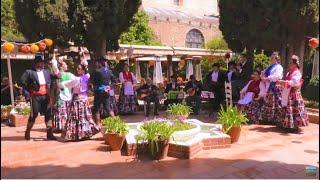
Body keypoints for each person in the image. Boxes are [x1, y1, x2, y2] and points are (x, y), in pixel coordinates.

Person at [20, 54, 57, 140]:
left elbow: (56, 76)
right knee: (34, 114)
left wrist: (56, 69)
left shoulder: (46, 72)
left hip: (46, 96)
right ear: (36, 63)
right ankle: (28, 131)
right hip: (35, 97)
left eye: (43, 63)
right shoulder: (29, 72)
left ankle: (49, 134)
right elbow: (22, 82)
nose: (42, 64)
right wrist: (28, 93)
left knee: (49, 114)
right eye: (41, 63)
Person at [62, 63, 100, 141]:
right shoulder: (82, 77)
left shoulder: (81, 78)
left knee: (83, 117)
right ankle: (79, 134)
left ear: (83, 70)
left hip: (81, 100)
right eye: (77, 68)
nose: (77, 70)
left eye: (79, 68)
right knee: (78, 117)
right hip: (79, 100)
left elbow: (67, 84)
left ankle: (83, 133)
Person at [277, 55, 308, 132]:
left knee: (293, 109)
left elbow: (294, 82)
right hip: (287, 92)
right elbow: (288, 82)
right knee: (287, 108)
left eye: (291, 63)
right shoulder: (289, 73)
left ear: (295, 64)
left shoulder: (297, 73)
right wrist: (281, 84)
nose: (290, 64)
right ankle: (286, 124)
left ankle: (294, 126)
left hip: (293, 94)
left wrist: (283, 82)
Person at [260, 52, 283, 124]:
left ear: (277, 59)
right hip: (268, 86)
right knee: (268, 103)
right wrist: (263, 76)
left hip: (274, 86)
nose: (271, 59)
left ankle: (274, 120)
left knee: (275, 103)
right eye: (271, 58)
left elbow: (277, 76)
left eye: (272, 58)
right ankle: (267, 119)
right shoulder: (269, 67)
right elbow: (262, 74)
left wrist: (267, 78)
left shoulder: (278, 67)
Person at [90, 58, 114, 127]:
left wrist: (92, 89)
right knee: (108, 108)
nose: (96, 64)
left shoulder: (96, 71)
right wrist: (109, 86)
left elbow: (92, 81)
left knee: (96, 108)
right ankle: (116, 122)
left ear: (99, 63)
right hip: (106, 92)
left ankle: (98, 124)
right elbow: (114, 81)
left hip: (98, 91)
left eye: (97, 63)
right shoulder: (109, 71)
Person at [53, 61, 76, 133]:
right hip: (66, 95)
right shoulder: (68, 75)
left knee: (61, 111)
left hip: (62, 96)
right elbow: (77, 81)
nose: (66, 65)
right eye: (65, 64)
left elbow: (54, 65)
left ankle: (61, 126)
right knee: (66, 111)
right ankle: (66, 126)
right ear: (61, 67)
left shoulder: (58, 74)